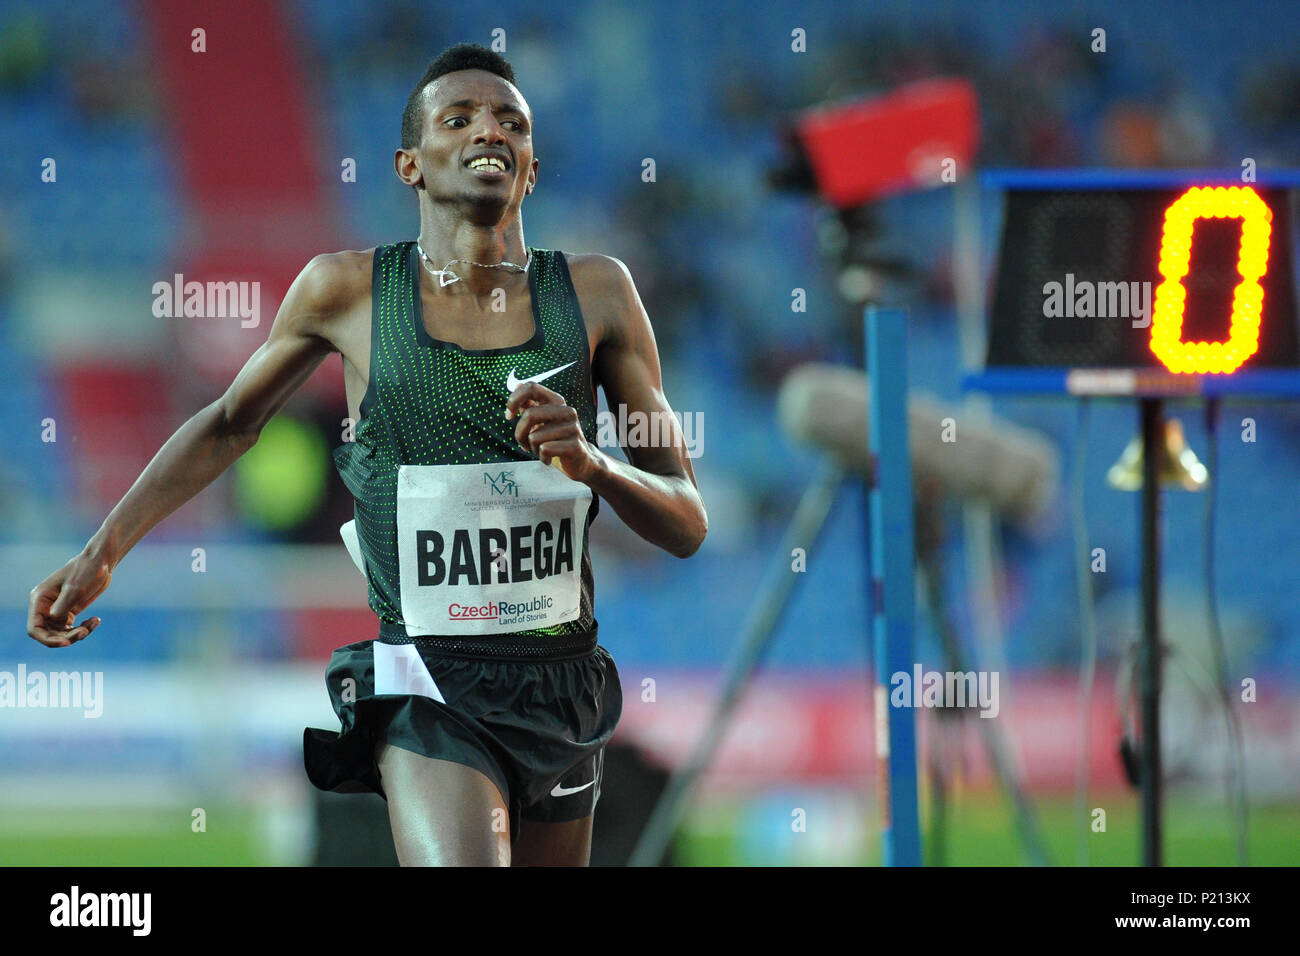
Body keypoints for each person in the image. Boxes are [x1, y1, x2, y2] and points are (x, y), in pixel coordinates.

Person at [26, 42, 707, 866]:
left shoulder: (597, 294)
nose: (487, 130)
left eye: (510, 122)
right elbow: (230, 422)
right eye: (457, 119)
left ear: (530, 168)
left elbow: (686, 522)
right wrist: (103, 551)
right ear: (410, 164)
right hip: (427, 681)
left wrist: (596, 464)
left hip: (562, 682)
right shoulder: (347, 290)